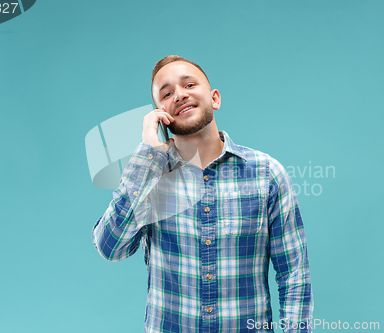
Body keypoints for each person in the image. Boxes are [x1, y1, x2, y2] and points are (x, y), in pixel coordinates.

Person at [91, 55, 314, 332]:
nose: (180, 95)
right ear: (160, 117)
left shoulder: (267, 173)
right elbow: (110, 248)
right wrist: (148, 156)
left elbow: (294, 275)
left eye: (189, 85)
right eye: (167, 93)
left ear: (215, 99)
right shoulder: (150, 178)